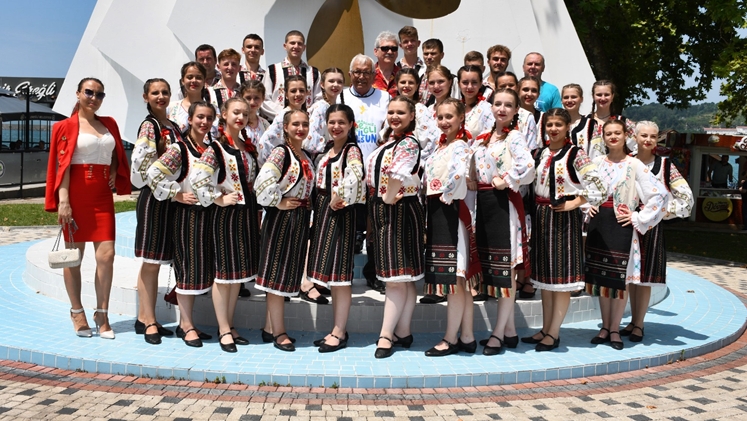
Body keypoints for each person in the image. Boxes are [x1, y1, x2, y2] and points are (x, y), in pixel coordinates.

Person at [44, 77, 131, 339]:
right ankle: (77, 311)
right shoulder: (64, 126)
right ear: (78, 93)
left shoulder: (109, 123)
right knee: (74, 257)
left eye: (99, 94)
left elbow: (116, 153)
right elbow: (62, 167)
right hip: (75, 196)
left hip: (102, 196)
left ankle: (102, 314)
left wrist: (114, 170)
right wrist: (64, 201)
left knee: (107, 256)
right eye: (89, 92)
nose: (94, 98)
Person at [521, 108, 606, 351]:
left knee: (560, 279)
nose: (554, 129)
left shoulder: (576, 154)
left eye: (559, 124)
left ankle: (554, 333)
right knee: (545, 279)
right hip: (541, 217)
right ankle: (545, 329)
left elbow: (599, 185)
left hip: (563, 220)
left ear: (568, 126)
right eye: (550, 124)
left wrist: (576, 202)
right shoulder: (539, 153)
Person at [585, 119, 668, 350]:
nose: (613, 137)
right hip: (599, 223)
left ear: (625, 136)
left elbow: (659, 194)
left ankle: (614, 329)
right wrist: (587, 205)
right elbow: (583, 188)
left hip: (622, 225)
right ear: (603, 138)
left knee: (620, 279)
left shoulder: (635, 164)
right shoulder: (596, 162)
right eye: (608, 133)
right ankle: (604, 327)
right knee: (602, 278)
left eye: (617, 133)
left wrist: (638, 217)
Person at [190, 97, 259, 353]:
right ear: (225, 115)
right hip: (227, 217)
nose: (240, 117)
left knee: (236, 276)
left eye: (245, 113)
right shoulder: (217, 148)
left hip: (246, 215)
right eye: (235, 112)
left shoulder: (246, 147)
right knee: (224, 275)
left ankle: (229, 324)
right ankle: (223, 329)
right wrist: (218, 199)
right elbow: (198, 178)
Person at [147, 101, 217, 348]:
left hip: (207, 215)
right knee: (187, 269)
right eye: (200, 117)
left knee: (198, 269)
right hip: (187, 215)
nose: (204, 122)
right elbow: (154, 173)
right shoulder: (180, 148)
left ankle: (188, 323)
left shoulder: (210, 148)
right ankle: (185, 324)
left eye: (209, 118)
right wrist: (176, 194)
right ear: (190, 119)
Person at [471, 89, 535, 355]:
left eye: (508, 105)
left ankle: (497, 333)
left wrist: (506, 179)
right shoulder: (484, 138)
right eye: (498, 104)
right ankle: (509, 332)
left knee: (505, 270)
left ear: (516, 110)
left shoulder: (515, 137)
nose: (502, 109)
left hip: (504, 204)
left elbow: (528, 166)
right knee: (494, 269)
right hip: (484, 204)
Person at [625, 121, 693, 342]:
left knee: (644, 278)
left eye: (652, 136)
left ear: (657, 140)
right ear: (635, 137)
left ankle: (639, 323)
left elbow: (686, 197)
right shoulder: (627, 162)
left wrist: (661, 212)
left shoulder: (665, 166)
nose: (648, 140)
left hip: (650, 227)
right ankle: (631, 320)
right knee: (631, 276)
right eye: (643, 135)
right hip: (627, 223)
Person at [423, 98, 481, 356]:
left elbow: (457, 177)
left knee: (456, 277)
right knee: (459, 279)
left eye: (450, 117)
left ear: (461, 119)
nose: (444, 121)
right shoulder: (441, 147)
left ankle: (450, 338)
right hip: (441, 210)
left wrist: (446, 194)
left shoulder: (460, 146)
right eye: (440, 117)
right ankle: (467, 336)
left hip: (451, 211)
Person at [368, 96, 425, 358]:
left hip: (398, 208)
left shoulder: (409, 143)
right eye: (391, 111)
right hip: (392, 207)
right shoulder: (393, 141)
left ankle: (385, 335)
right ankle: (403, 331)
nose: (394, 116)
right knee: (404, 277)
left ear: (412, 116)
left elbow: (396, 174)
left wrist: (387, 199)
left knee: (395, 278)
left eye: (401, 112)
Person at [255, 109, 315, 352]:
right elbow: (263, 181)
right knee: (277, 274)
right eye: (295, 124)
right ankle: (279, 332)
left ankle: (269, 327)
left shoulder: (304, 154)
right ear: (285, 127)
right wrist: (277, 202)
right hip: (282, 219)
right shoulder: (281, 152)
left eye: (304, 124)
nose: (300, 128)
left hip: (298, 218)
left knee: (285, 273)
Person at [307, 104, 366, 352]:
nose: (336, 126)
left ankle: (339, 332)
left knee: (340, 276)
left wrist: (338, 196)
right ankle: (336, 328)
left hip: (341, 213)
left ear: (351, 124)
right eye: (332, 122)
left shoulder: (351, 150)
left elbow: (356, 174)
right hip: (324, 211)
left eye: (341, 122)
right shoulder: (328, 149)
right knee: (332, 274)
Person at [130, 78, 182, 344]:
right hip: (154, 197)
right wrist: (169, 188)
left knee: (157, 259)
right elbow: (142, 167)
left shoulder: (173, 126)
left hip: (171, 198)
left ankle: (144, 317)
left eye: (164, 92)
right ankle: (149, 320)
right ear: (146, 97)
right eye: (155, 93)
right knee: (150, 262)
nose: (160, 96)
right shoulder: (149, 126)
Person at [338, 54, 391, 293]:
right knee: (348, 225)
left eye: (366, 72)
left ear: (374, 74)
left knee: (375, 226)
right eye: (357, 72)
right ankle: (343, 274)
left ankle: (374, 274)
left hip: (375, 173)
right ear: (350, 74)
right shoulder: (341, 96)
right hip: (348, 172)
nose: (361, 77)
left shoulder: (384, 97)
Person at [262, 30, 321, 121]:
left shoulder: (313, 72)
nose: (296, 46)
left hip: (306, 123)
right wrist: (285, 114)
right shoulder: (273, 70)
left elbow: (319, 99)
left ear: (304, 47)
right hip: (278, 122)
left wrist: (306, 114)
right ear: (285, 46)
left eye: (299, 43)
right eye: (292, 43)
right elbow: (264, 99)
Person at [258, 75, 309, 166]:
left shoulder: (306, 114)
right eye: (293, 91)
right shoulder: (282, 116)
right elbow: (265, 143)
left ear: (307, 93)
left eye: (301, 90)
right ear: (286, 95)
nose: (298, 94)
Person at [395, 67, 439, 155]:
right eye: (403, 82)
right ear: (397, 85)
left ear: (417, 86)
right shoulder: (391, 108)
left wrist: (419, 159)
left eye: (411, 83)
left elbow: (430, 141)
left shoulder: (421, 110)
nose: (406, 85)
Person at [304, 67, 346, 160]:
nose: (336, 84)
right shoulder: (321, 107)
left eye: (339, 82)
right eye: (331, 81)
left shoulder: (337, 107)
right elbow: (311, 141)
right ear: (322, 84)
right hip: (321, 159)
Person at [588, 80, 637, 154]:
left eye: (607, 95)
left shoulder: (623, 122)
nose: (603, 98)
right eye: (599, 95)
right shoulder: (585, 122)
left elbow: (638, 146)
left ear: (612, 96)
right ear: (593, 96)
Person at [167, 62, 215, 135]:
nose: (194, 80)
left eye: (198, 77)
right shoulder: (171, 108)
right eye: (189, 77)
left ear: (204, 81)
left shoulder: (213, 109)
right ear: (183, 81)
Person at [561, 83, 601, 159]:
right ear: (561, 100)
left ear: (581, 99)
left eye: (574, 97)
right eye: (566, 97)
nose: (569, 100)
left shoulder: (590, 124)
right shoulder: (555, 124)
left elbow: (596, 153)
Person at [458, 65, 495, 137]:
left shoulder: (487, 109)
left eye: (474, 82)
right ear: (459, 84)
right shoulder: (455, 107)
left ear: (481, 83)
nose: (470, 87)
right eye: (465, 82)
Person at [419, 39, 459, 104]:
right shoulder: (420, 77)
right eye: (426, 54)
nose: (429, 57)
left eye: (433, 54)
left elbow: (456, 102)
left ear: (442, 55)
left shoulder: (452, 79)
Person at [373, 31, 400, 97]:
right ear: (376, 51)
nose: (390, 52)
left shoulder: (403, 75)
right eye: (385, 48)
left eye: (394, 49)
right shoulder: (367, 74)